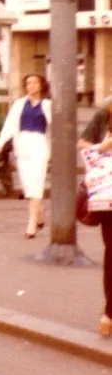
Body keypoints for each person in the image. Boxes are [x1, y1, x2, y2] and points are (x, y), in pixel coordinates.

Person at [0, 74, 51, 238]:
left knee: (37, 180)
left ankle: (32, 223)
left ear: (41, 85)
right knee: (27, 184)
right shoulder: (20, 104)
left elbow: (56, 127)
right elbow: (10, 125)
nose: (31, 86)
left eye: (34, 83)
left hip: (40, 144)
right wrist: (1, 142)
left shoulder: (47, 104)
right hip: (23, 145)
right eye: (28, 83)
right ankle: (39, 212)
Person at [77, 101, 112, 338]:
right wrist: (103, 146)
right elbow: (84, 143)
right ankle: (109, 312)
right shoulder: (105, 114)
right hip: (108, 196)